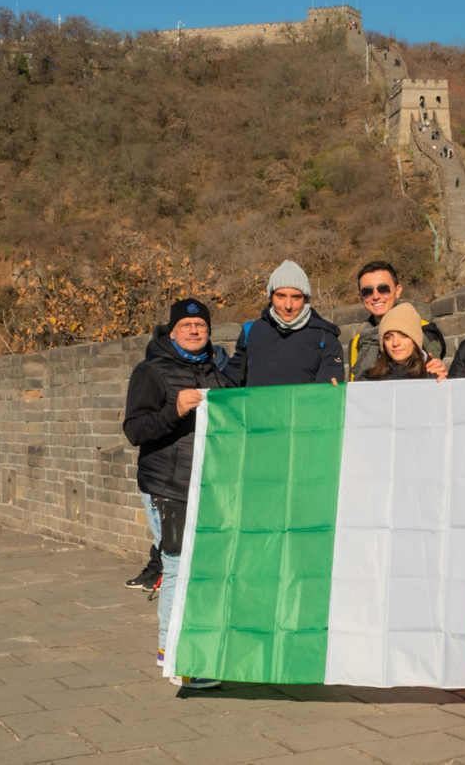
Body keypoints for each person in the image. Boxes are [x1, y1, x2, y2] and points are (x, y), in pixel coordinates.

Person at [123, 298, 228, 690]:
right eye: (186, 325)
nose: (195, 330)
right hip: (169, 487)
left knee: (204, 571)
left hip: (210, 485)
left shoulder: (218, 369)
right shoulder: (150, 371)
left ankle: (201, 651)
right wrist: (175, 411)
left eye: (201, 324)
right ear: (171, 331)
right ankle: (177, 659)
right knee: (177, 568)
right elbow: (134, 430)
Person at [224, 260, 345, 387]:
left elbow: (325, 395)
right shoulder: (251, 332)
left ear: (305, 298)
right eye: (281, 296)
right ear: (271, 296)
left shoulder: (325, 337)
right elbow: (228, 383)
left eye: (296, 297)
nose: (288, 305)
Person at [349, 260, 446, 381]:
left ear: (398, 290)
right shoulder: (359, 341)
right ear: (360, 297)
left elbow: (432, 370)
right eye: (367, 291)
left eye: (383, 288)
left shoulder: (423, 331)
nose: (375, 296)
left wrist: (436, 368)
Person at [355, 303, 444, 382]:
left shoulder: (434, 377)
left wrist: (445, 387)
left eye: (403, 335)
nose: (395, 343)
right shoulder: (368, 380)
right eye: (388, 337)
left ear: (415, 340)